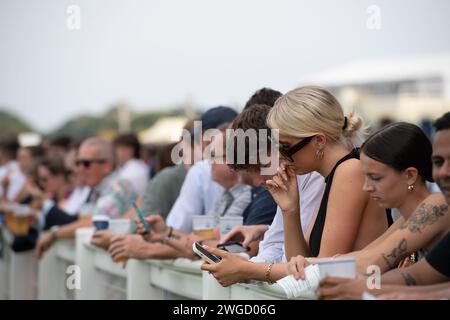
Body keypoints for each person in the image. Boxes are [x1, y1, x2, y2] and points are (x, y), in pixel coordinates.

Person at [201, 86, 388, 287]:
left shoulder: (349, 171)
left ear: (318, 141)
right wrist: (290, 210)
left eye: (285, 147)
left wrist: (246, 270)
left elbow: (320, 273)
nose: (280, 157)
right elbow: (298, 263)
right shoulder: (334, 174)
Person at [287, 122, 450, 282]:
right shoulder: (408, 217)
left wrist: (266, 270)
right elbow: (367, 255)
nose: (366, 187)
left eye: (375, 178)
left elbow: (371, 261)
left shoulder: (436, 206)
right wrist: (311, 263)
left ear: (410, 176)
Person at [35, 137, 136, 259]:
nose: (79, 169)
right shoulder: (98, 188)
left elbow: (95, 223)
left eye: (86, 164)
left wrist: (55, 234)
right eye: (78, 163)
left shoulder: (117, 186)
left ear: (107, 166)